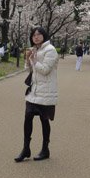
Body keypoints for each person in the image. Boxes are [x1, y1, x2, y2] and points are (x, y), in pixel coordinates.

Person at [14, 27, 59, 162]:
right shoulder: (35, 50)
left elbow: (45, 70)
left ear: (44, 36)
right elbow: (29, 70)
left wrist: (33, 59)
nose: (36, 37)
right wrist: (28, 59)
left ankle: (45, 149)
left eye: (39, 34)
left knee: (44, 120)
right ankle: (26, 148)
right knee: (27, 118)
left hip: (46, 92)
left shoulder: (50, 50)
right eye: (34, 35)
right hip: (33, 91)